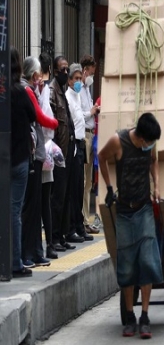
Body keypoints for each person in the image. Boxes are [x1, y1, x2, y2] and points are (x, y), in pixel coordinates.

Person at [98, 113, 163, 339]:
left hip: (144, 208)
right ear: (141, 137)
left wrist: (156, 185)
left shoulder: (150, 145)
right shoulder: (119, 141)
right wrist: (108, 187)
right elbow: (101, 156)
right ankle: (129, 316)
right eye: (149, 142)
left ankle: (144, 316)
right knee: (126, 266)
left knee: (146, 261)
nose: (150, 146)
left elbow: (154, 161)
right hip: (125, 211)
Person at [21, 56, 58, 268]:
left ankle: (35, 251)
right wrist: (55, 123)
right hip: (32, 154)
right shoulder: (27, 91)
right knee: (30, 208)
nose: (39, 78)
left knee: (36, 207)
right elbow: (41, 117)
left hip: (37, 155)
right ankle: (28, 252)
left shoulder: (33, 91)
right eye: (37, 74)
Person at [10, 47, 36, 278]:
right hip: (18, 159)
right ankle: (15, 262)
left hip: (3, 159)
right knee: (15, 211)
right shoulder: (20, 91)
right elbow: (34, 116)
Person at [49, 56, 78, 251]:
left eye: (67, 69)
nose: (66, 73)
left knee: (67, 196)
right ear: (55, 70)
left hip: (67, 151)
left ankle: (62, 234)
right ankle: (54, 237)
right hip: (58, 152)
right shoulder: (52, 92)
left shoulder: (63, 92)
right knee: (57, 199)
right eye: (63, 69)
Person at [66, 63, 94, 242]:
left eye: (79, 78)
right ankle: (71, 228)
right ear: (69, 80)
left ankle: (79, 226)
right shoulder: (68, 97)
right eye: (75, 79)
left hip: (81, 144)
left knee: (79, 187)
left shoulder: (77, 95)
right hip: (74, 145)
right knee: (74, 188)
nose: (77, 82)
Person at [38, 52, 58, 259]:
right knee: (44, 201)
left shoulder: (41, 90)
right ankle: (47, 245)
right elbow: (49, 123)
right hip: (41, 152)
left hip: (42, 153)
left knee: (43, 201)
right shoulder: (41, 90)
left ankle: (45, 245)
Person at [79, 55, 100, 234]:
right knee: (85, 180)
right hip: (84, 135)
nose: (92, 75)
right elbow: (78, 114)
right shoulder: (79, 89)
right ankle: (84, 219)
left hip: (91, 135)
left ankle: (86, 219)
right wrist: (91, 111)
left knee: (88, 183)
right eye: (91, 72)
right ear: (85, 70)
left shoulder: (87, 89)